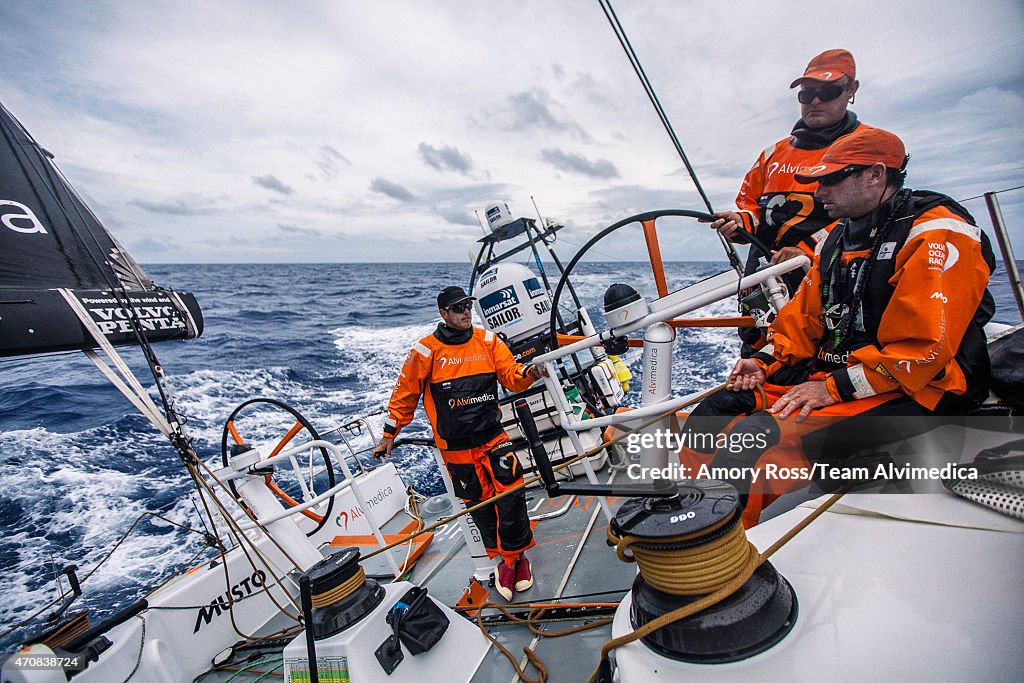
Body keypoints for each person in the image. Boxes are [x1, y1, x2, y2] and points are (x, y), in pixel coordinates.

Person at [683, 127, 995, 526]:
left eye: (832, 179)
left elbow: (923, 352)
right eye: (818, 180)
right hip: (846, 375)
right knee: (712, 413)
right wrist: (764, 360)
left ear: (876, 174)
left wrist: (830, 388)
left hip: (924, 388)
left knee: (755, 444)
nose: (820, 191)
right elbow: (805, 318)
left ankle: (721, 555)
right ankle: (689, 516)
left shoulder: (936, 233)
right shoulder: (838, 237)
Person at [374, 285, 545, 600]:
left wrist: (532, 372)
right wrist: (389, 435)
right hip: (456, 449)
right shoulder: (425, 352)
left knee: (511, 497)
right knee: (479, 504)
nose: (466, 313)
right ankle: (504, 559)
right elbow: (404, 396)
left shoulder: (489, 342)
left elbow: (512, 376)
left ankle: (517, 559)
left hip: (493, 438)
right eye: (457, 308)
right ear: (443, 314)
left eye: (468, 306)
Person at [706, 49, 869, 357]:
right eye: (807, 94)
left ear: (851, 90)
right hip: (764, 282)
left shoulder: (869, 151)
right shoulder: (772, 155)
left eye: (829, 91)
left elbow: (872, 219)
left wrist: (808, 252)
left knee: (815, 364)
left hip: (828, 287)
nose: (816, 102)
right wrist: (739, 224)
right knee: (757, 361)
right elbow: (752, 209)